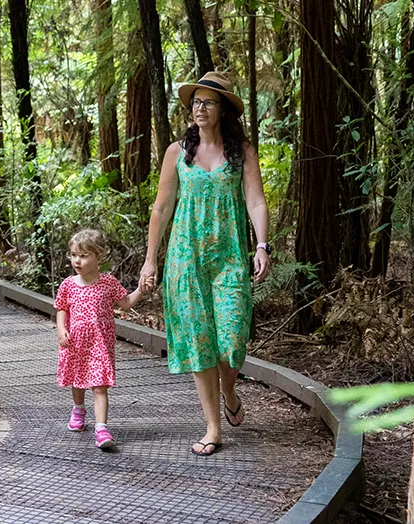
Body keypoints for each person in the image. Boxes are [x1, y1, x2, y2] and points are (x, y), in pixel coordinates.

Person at [138, 71, 272, 457]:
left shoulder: (241, 151)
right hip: (186, 258)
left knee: (231, 341)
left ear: (224, 109)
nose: (200, 108)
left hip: (229, 255)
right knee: (199, 343)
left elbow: (256, 201)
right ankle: (213, 427)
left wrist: (262, 245)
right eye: (195, 101)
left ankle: (229, 387)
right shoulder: (177, 152)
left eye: (208, 102)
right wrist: (151, 261)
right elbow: (161, 209)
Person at [55, 229, 149, 450]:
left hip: (99, 343)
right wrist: (61, 329)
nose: (77, 260)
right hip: (75, 342)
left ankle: (101, 429)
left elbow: (125, 303)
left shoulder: (108, 283)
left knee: (99, 386)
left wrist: (141, 290)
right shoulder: (68, 284)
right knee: (78, 380)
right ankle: (78, 408)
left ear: (99, 257)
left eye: (84, 255)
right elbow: (61, 308)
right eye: (74, 255)